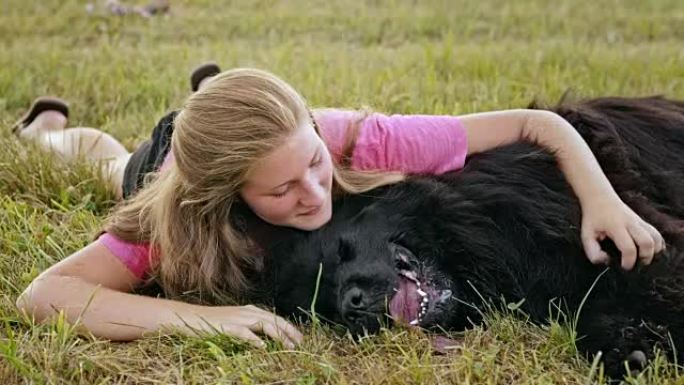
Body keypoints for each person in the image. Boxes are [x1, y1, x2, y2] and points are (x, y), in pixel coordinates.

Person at [14, 64, 666, 349]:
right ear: (231, 198)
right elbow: (45, 295)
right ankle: (49, 130)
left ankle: (214, 90)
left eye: (314, 166)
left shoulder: (352, 137)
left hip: (247, 138)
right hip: (164, 166)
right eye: (282, 191)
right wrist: (204, 320)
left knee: (261, 137)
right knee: (109, 164)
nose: (316, 193)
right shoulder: (181, 222)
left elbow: (535, 124)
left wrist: (601, 200)